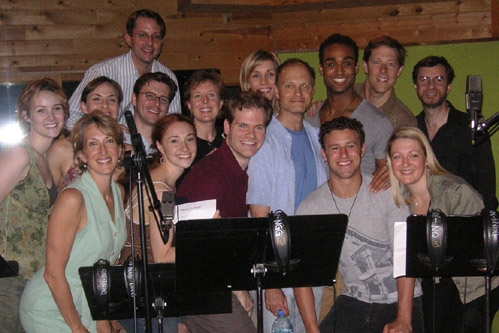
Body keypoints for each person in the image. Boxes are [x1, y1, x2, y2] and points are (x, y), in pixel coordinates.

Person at [294, 117, 423, 333]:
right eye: (335, 148)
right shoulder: (311, 207)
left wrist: (404, 319)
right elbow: (301, 276)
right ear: (324, 154)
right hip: (355, 299)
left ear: (362, 150)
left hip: (401, 301)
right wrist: (312, 329)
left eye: (350, 146)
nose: (343, 155)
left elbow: (404, 258)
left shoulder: (386, 194)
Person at [19, 111, 126, 332]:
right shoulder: (73, 198)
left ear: (120, 149)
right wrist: (78, 328)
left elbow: (105, 266)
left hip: (88, 306)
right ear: (82, 155)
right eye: (93, 144)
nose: (103, 151)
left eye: (109, 142)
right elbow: (53, 274)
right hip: (50, 309)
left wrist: (104, 318)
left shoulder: (118, 192)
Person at [176, 91, 273, 332]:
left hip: (221, 279)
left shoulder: (243, 171)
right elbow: (198, 249)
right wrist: (237, 288)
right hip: (202, 287)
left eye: (258, 127)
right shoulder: (210, 176)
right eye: (243, 125)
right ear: (227, 126)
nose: (251, 135)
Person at [387, 126, 499, 332]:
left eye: (413, 155)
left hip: (476, 286)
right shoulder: (397, 202)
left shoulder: (455, 192)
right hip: (434, 286)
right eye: (397, 156)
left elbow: (482, 253)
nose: (405, 164)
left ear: (426, 158)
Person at [247, 58, 328, 333]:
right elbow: (259, 216)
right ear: (277, 91)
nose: (298, 93)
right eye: (290, 86)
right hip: (277, 269)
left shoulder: (319, 138)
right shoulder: (265, 141)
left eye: (304, 86)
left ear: (313, 90)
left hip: (310, 263)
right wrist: (272, 286)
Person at [118, 114, 197, 332]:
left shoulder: (158, 180)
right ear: (160, 147)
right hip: (145, 292)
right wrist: (204, 240)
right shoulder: (162, 192)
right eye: (174, 140)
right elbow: (162, 256)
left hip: (141, 286)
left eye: (190, 139)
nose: (185, 147)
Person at [0, 78, 67, 333]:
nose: (51, 116)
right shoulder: (19, 154)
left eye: (57, 108)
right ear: (26, 116)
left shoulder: (45, 159)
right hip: (7, 277)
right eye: (41, 110)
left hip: (29, 279)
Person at [66, 9, 181, 130]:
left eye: (156, 37)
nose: (150, 43)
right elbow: (70, 118)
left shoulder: (168, 77)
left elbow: (173, 124)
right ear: (128, 39)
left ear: (161, 42)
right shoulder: (102, 71)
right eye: (142, 35)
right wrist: (109, 130)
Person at [309, 33, 394, 193]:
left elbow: (388, 181)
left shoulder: (378, 123)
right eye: (331, 64)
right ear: (322, 69)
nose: (339, 71)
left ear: (356, 68)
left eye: (346, 63)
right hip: (318, 210)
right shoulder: (310, 118)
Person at [412, 55, 498, 210]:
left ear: (449, 86)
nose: (431, 85)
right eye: (424, 79)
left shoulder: (470, 127)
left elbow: (487, 183)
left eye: (439, 79)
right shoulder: (411, 129)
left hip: (464, 217)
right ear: (416, 87)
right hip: (423, 218)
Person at [48, 76, 123, 191]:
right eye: (97, 99)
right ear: (84, 107)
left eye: (112, 100)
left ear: (118, 107)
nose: (105, 105)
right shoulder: (61, 149)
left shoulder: (128, 151)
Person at [354, 35, 416, 128]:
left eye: (390, 64)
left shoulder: (404, 121)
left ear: (399, 71)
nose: (383, 70)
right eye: (377, 62)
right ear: (366, 66)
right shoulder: (346, 96)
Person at [125, 72, 178, 154]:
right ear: (134, 99)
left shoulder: (173, 145)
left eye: (163, 99)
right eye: (150, 96)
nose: (157, 103)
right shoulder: (116, 139)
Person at [184, 70, 226, 163]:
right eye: (198, 96)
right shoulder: (182, 142)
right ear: (189, 105)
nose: (205, 101)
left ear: (221, 103)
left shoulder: (230, 138)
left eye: (211, 95)